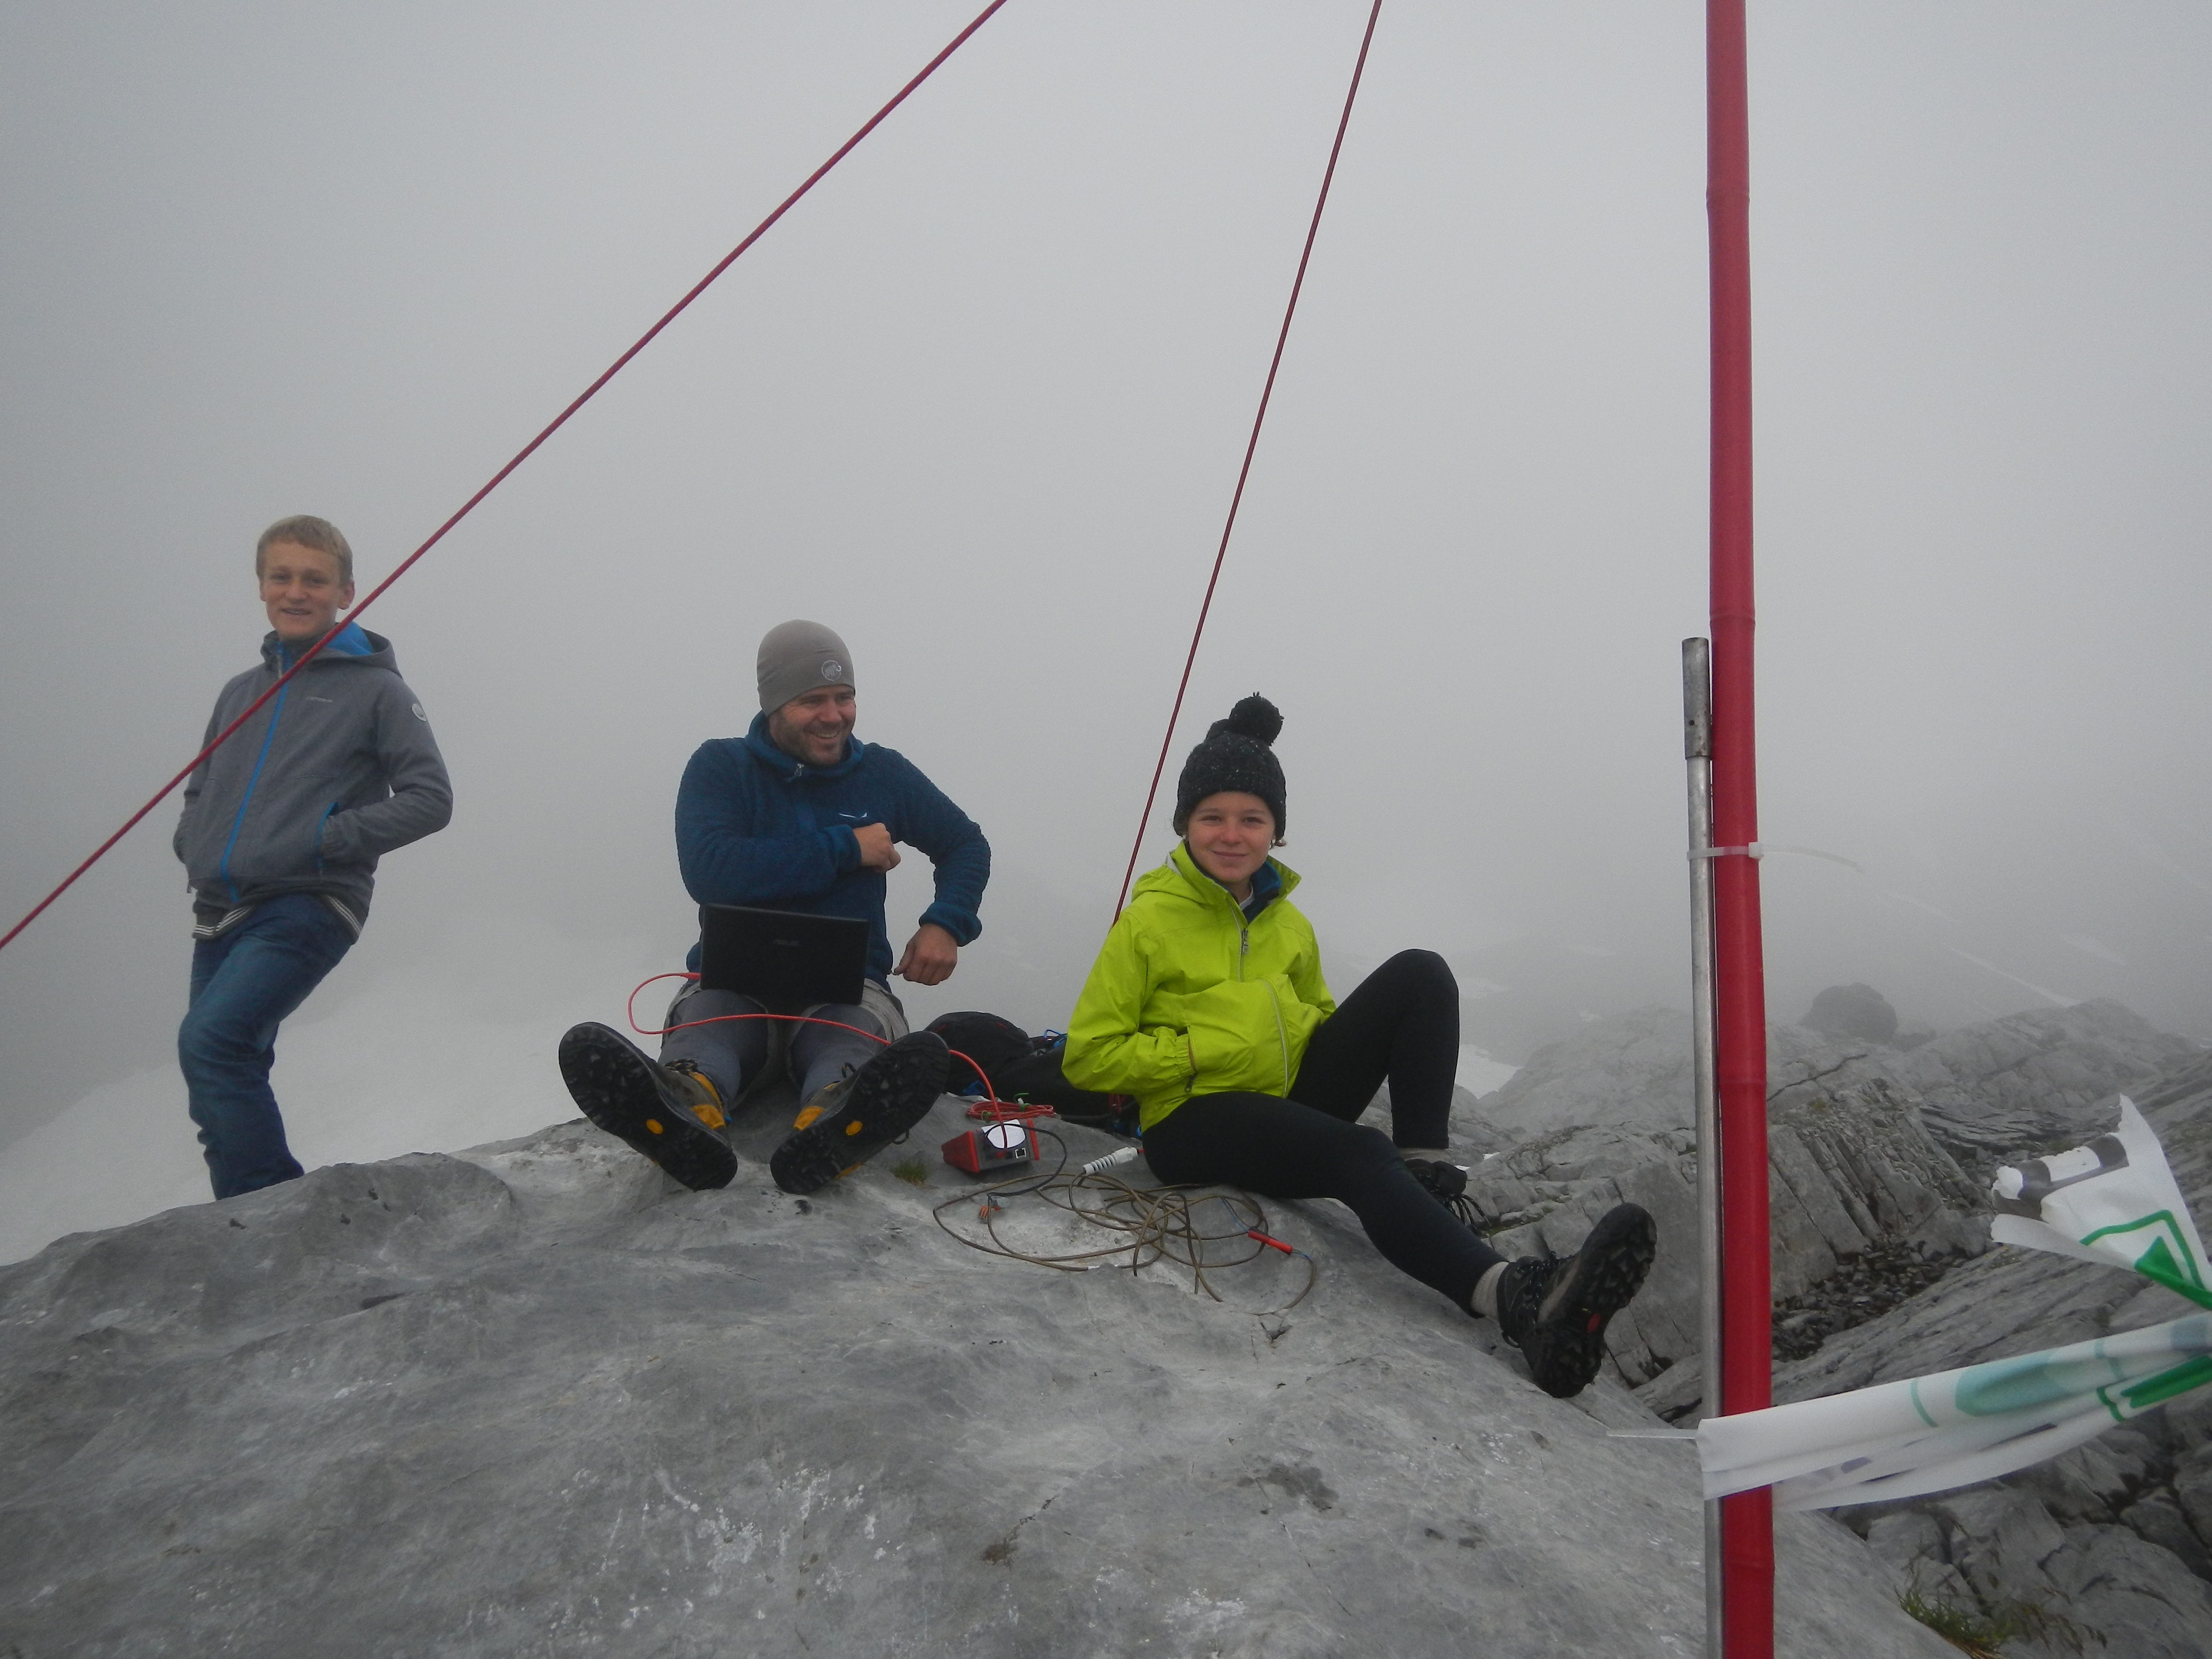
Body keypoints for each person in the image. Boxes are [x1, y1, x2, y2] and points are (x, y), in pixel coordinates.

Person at [1062, 695, 1655, 1398]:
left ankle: (1425, 1181)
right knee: (1360, 1153)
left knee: (1421, 974)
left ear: (1277, 832)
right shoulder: (1147, 923)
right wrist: (1201, 1051)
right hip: (1190, 1121)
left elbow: (1317, 1016)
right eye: (1212, 817)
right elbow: (1089, 1057)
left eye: (1252, 819)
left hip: (1283, 1106)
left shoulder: (1290, 926)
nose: (1231, 835)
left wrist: (1309, 1039)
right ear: (1185, 824)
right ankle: (1516, 1303)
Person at [560, 620, 990, 1196]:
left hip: (848, 990)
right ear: (773, 705)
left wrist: (945, 924)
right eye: (812, 701)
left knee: (847, 1040)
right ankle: (685, 1107)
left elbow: (965, 844)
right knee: (712, 1032)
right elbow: (710, 871)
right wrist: (846, 848)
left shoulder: (883, 773)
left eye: (844, 697)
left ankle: (834, 1118)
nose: (834, 715)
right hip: (732, 982)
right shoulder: (722, 766)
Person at [172, 515, 454, 1199]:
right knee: (221, 1068)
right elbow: (202, 788)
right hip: (220, 908)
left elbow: (431, 799)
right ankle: (246, 1214)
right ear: (261, 585)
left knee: (212, 1043)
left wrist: (322, 840)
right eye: (282, 576)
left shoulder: (378, 690)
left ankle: (271, 1210)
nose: (296, 592)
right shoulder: (239, 692)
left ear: (345, 593)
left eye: (314, 580)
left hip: (308, 902)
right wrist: (194, 840)